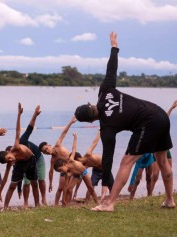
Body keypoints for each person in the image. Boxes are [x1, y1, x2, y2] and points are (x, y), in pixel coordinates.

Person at [74, 32, 175, 212]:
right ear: (91, 104)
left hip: (148, 123)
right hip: (160, 113)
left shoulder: (107, 127)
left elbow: (107, 157)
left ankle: (110, 204)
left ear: (91, 121)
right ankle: (169, 200)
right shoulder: (105, 91)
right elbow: (111, 69)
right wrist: (114, 47)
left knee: (126, 162)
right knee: (162, 159)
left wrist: (105, 184)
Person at [0, 103, 39, 209]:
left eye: (9, 158)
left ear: (8, 152)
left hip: (31, 160)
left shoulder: (16, 146)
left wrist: (19, 115)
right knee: (12, 185)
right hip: (21, 164)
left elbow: (18, 130)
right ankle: (5, 207)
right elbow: (5, 178)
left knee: (34, 182)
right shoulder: (11, 162)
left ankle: (38, 205)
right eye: (8, 161)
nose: (11, 160)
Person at [39, 115, 76, 207]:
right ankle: (56, 205)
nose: (47, 151)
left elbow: (64, 133)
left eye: (47, 148)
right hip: (64, 170)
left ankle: (67, 204)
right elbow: (51, 172)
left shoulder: (58, 145)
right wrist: (50, 184)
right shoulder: (53, 160)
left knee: (69, 189)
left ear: (50, 145)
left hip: (73, 167)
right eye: (45, 152)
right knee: (60, 188)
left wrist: (71, 122)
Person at [53, 133, 99, 206]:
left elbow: (74, 148)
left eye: (61, 169)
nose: (61, 172)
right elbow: (65, 187)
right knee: (69, 189)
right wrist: (63, 199)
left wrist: (75, 138)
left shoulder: (71, 160)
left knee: (91, 188)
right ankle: (66, 205)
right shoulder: (67, 173)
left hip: (83, 172)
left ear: (64, 164)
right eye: (60, 171)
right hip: (76, 175)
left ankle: (97, 204)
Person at [76, 131, 114, 202]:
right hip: (96, 171)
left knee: (111, 186)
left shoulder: (88, 154)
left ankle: (112, 201)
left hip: (106, 169)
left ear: (78, 159)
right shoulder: (84, 166)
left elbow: (95, 143)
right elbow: (81, 178)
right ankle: (87, 201)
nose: (77, 165)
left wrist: (100, 131)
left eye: (77, 163)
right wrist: (76, 191)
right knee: (91, 186)